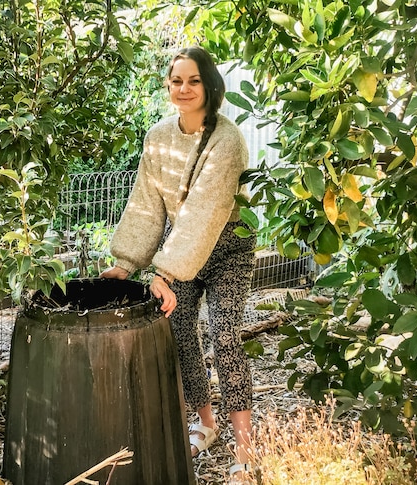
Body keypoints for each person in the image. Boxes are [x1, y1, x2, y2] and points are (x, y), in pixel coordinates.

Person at [100, 46, 256, 481]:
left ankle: (245, 446)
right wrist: (128, 263)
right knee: (180, 331)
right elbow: (147, 205)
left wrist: (164, 272)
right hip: (177, 251)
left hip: (226, 247)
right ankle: (205, 422)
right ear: (168, 85)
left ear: (210, 86)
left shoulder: (227, 140)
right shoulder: (158, 136)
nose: (184, 89)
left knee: (225, 336)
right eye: (176, 80)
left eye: (193, 81)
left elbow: (205, 212)